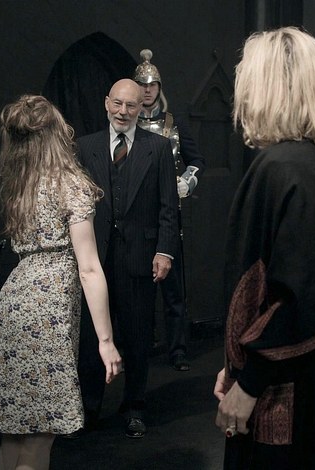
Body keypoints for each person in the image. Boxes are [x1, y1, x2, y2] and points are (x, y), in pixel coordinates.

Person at [213, 27, 315, 470]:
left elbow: (299, 300)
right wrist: (237, 366)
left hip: (291, 387)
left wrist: (248, 382)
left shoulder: (286, 167)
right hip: (309, 375)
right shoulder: (307, 160)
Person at [0, 95, 122, 470]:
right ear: (56, 134)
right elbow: (89, 268)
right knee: (41, 432)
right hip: (48, 309)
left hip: (13, 300)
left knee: (14, 428)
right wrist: (106, 341)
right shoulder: (69, 184)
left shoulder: (20, 184)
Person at [75, 78, 180, 439]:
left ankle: (134, 406)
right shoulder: (84, 147)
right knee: (92, 340)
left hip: (140, 259)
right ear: (107, 103)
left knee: (137, 340)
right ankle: (89, 408)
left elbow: (169, 207)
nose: (123, 112)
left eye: (131, 105)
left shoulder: (159, 148)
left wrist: (164, 251)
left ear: (141, 107)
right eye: (117, 104)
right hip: (96, 260)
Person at [134, 49, 207, 371]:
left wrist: (187, 181)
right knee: (139, 288)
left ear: (159, 88)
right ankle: (141, 345)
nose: (147, 90)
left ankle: (177, 349)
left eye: (152, 85)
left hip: (169, 214)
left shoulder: (173, 124)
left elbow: (197, 159)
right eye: (142, 85)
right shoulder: (127, 124)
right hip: (137, 216)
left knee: (174, 289)